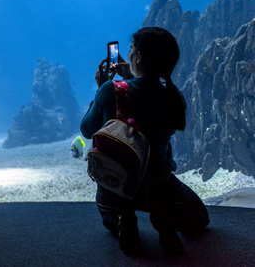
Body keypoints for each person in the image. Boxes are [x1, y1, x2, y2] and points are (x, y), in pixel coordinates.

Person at [81, 27, 209, 257]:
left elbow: (87, 130)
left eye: (131, 50)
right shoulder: (172, 95)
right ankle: (163, 218)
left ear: (138, 56)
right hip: (159, 184)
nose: (128, 55)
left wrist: (101, 90)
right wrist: (132, 76)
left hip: (118, 183)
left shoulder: (112, 90)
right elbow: (147, 100)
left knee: (107, 210)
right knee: (199, 217)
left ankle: (122, 218)